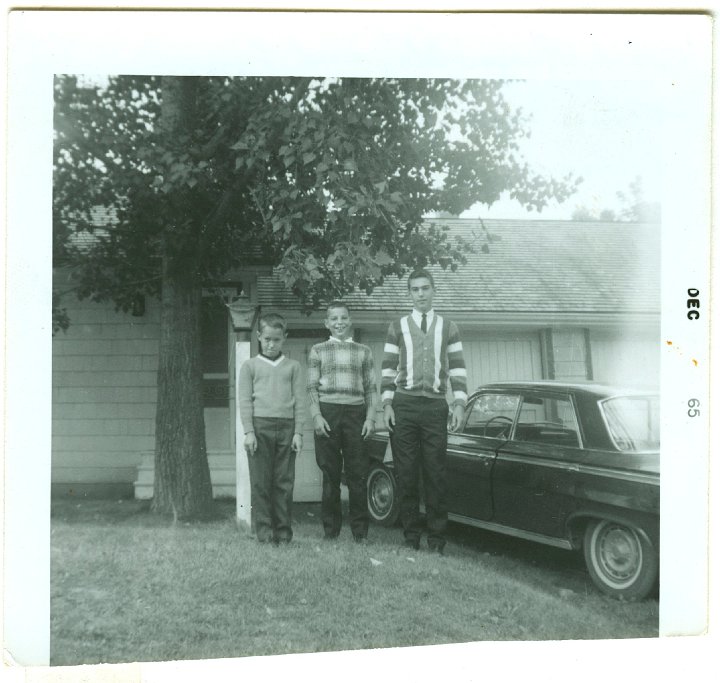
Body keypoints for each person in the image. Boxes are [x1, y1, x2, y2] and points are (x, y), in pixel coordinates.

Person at [381, 269, 468, 554]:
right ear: (409, 293)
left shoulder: (449, 327)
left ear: (433, 290)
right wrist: (387, 404)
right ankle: (411, 538)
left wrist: (458, 403)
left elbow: (457, 367)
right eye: (415, 289)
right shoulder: (398, 326)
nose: (420, 294)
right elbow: (388, 368)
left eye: (425, 288)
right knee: (406, 474)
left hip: (434, 405)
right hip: (404, 405)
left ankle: (437, 540)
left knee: (435, 474)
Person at [307, 301, 377, 542]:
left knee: (358, 475)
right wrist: (316, 415)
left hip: (356, 413)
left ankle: (360, 533)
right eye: (334, 319)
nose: (339, 323)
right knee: (330, 475)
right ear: (326, 323)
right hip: (327, 413)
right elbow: (311, 387)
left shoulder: (363, 351)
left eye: (343, 318)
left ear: (350, 320)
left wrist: (370, 418)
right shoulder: (318, 350)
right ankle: (331, 532)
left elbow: (370, 388)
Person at [237, 312, 305, 544]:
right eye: (266, 339)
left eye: (276, 339)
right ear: (258, 336)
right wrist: (249, 432)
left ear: (284, 338)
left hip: (287, 428)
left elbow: (300, 400)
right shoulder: (250, 366)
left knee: (283, 483)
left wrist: (298, 432)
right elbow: (245, 400)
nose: (271, 344)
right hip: (260, 427)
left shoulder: (293, 367)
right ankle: (265, 534)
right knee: (261, 483)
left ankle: (283, 534)